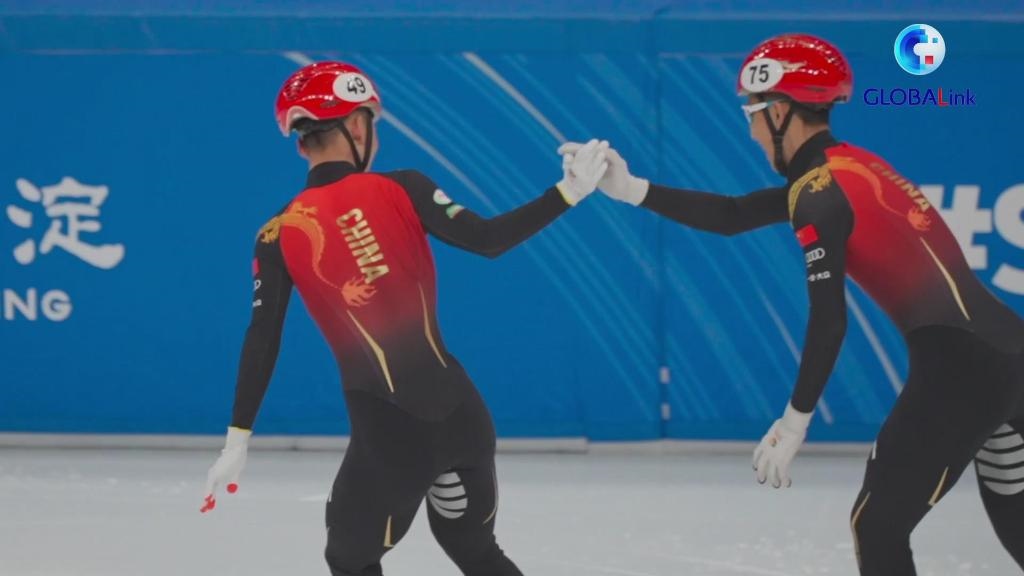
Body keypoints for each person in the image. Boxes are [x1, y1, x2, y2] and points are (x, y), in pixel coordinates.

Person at [561, 33, 1024, 575]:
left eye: (752, 114)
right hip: (1009, 355)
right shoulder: (849, 167)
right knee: (1015, 517)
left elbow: (829, 321)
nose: (751, 131)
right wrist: (632, 189)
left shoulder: (818, 191)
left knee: (878, 527)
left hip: (962, 371)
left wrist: (794, 422)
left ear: (780, 112)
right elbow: (733, 215)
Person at [201, 60, 609, 576]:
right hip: (464, 416)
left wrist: (238, 438)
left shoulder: (277, 233)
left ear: (300, 143)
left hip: (390, 436)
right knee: (476, 552)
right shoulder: (406, 187)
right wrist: (567, 192)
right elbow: (488, 240)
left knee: (350, 560)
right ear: (357, 126)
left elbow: (263, 338)